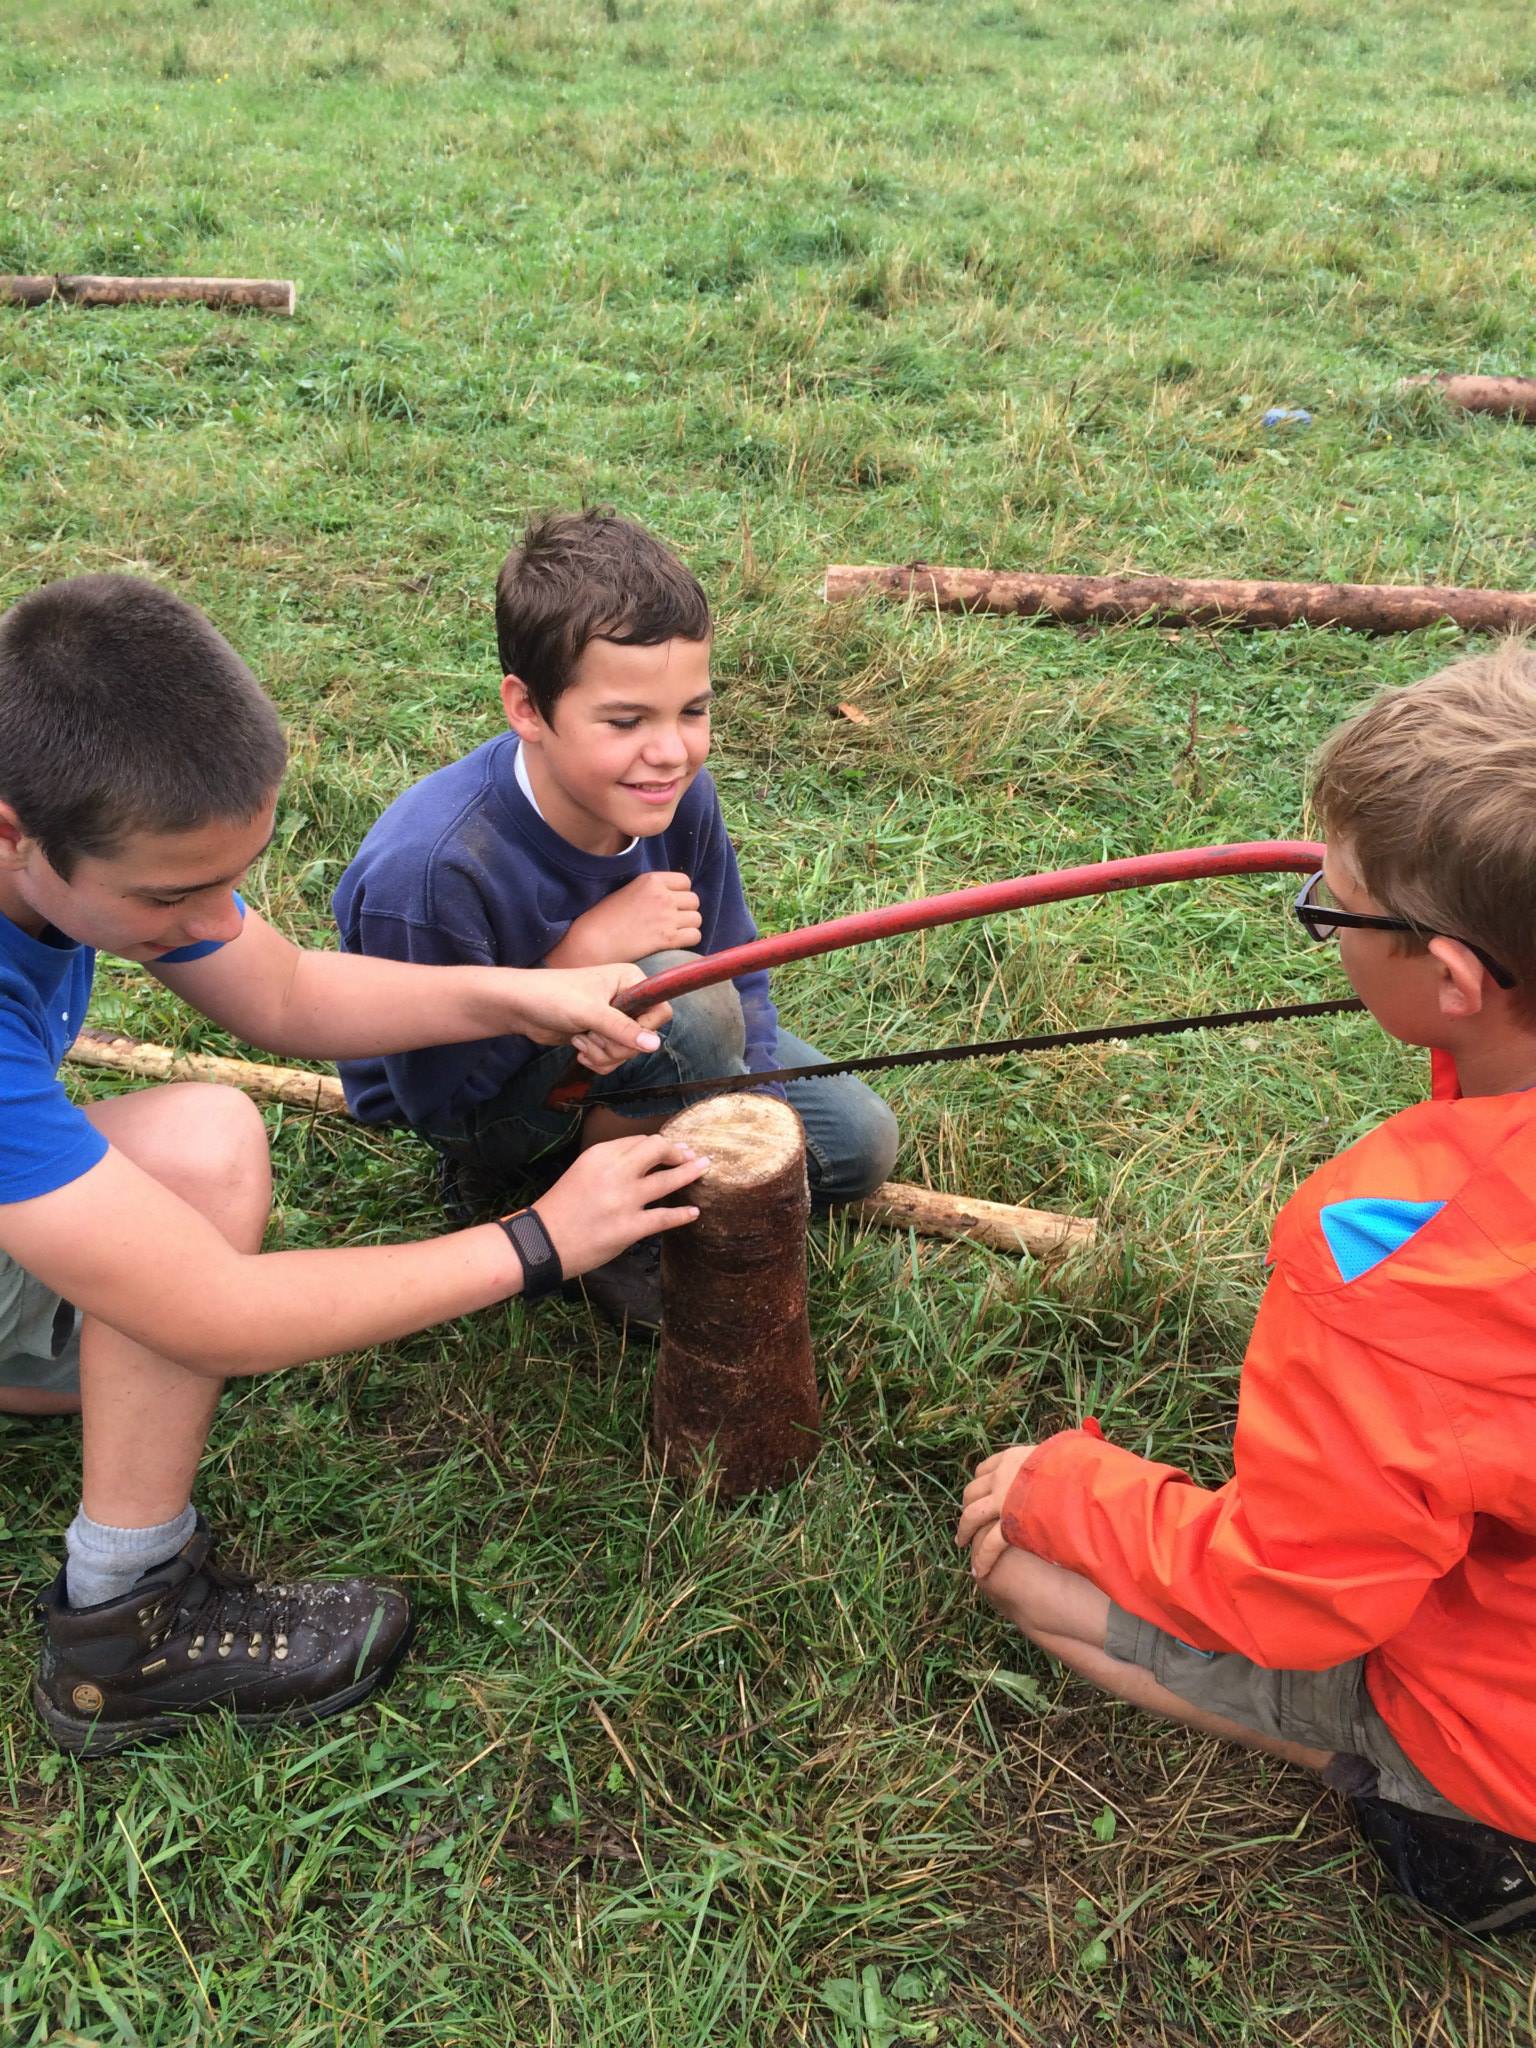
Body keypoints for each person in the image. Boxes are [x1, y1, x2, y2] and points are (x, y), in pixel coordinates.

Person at [0, 572, 710, 1756]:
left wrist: (520, 993)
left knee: (198, 1156)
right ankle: (121, 1628)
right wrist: (540, 1240)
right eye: (173, 895)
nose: (211, 920)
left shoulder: (105, 853)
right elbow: (216, 1315)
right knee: (199, 1182)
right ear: (12, 828)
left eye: (232, 877)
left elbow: (281, 988)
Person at [958, 644, 1536, 1935]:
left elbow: (1290, 1590)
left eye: (1334, 912)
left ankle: (1436, 1798)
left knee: (1015, 1559)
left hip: (1509, 1713)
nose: (1321, 920)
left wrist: (1072, 1489)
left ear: (1453, 980)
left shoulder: (1394, 1262)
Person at [333, 509, 898, 1328]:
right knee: (679, 996)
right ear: (527, 708)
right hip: (482, 1109)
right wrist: (573, 969)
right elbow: (433, 1097)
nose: (670, 751)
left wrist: (755, 1105)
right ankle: (610, 1235)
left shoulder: (674, 792)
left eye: (692, 712)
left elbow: (736, 960)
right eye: (627, 721)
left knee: (854, 1147)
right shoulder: (430, 871)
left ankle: (638, 1140)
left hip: (652, 1047)